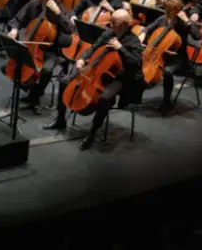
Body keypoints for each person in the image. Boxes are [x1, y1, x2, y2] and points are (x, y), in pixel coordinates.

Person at [47, 9, 142, 150]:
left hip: (118, 77)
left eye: (114, 22)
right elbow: (93, 48)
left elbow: (136, 63)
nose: (110, 24)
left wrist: (120, 48)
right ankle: (60, 119)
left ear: (124, 25)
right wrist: (81, 59)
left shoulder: (133, 41)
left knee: (105, 98)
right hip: (96, 69)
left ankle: (92, 134)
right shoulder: (108, 33)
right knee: (64, 81)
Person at [5, 0, 73, 113]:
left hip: (51, 50)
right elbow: (17, 19)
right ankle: (31, 89)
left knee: (46, 70)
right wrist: (14, 29)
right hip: (31, 47)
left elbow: (70, 29)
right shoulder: (33, 4)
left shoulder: (60, 8)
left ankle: (35, 96)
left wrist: (58, 13)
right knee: (11, 67)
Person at [142, 0, 200, 112]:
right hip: (161, 55)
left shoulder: (183, 23)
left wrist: (188, 21)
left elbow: (198, 36)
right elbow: (147, 28)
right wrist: (143, 33)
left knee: (167, 72)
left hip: (178, 58)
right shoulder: (163, 19)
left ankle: (166, 101)